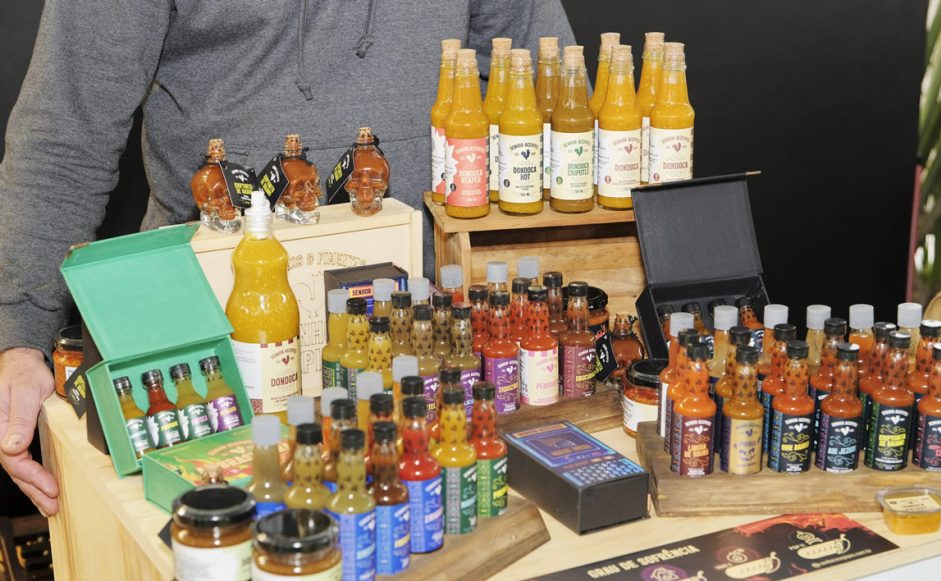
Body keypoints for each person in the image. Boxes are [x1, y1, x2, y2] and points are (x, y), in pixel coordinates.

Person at [0, 1, 575, 516]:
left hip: (427, 340)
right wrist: (20, 335)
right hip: (214, 351)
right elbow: (65, 135)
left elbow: (543, 96)